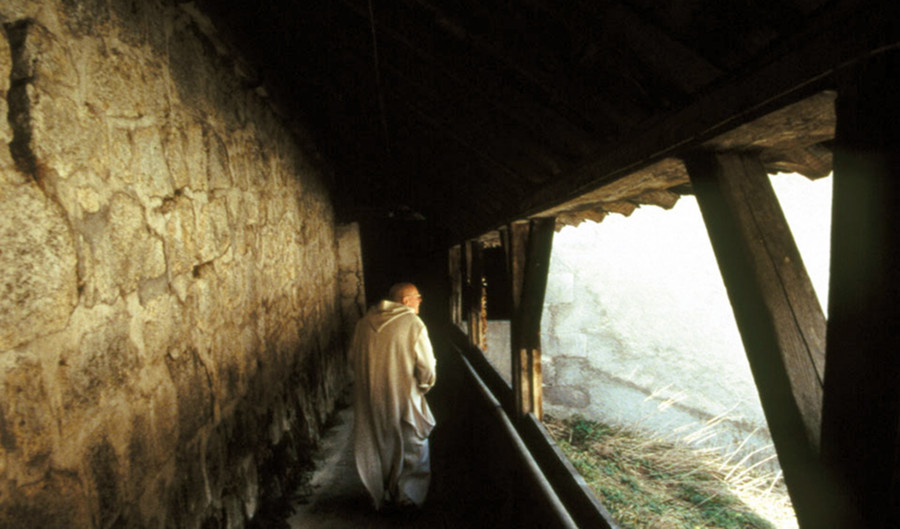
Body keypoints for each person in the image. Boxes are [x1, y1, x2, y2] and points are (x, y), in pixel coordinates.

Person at [350, 282, 437, 511]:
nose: (420, 301)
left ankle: (381, 495)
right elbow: (427, 366)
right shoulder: (413, 323)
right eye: (417, 297)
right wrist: (424, 386)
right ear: (406, 301)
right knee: (412, 443)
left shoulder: (363, 324)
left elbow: (352, 359)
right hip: (404, 395)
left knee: (379, 442)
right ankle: (408, 498)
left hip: (371, 396)